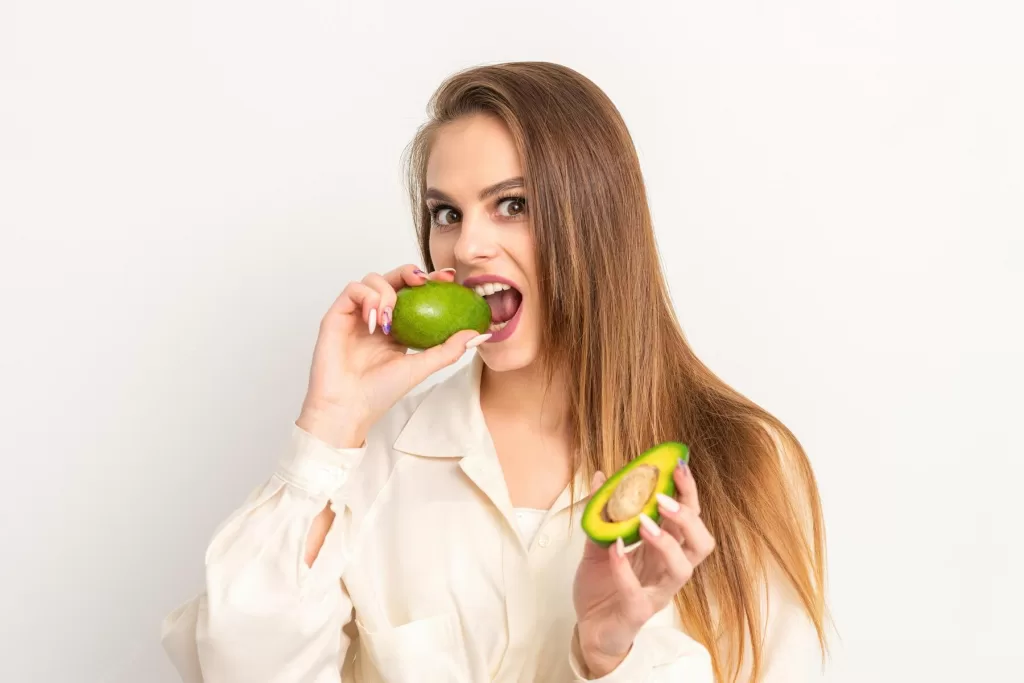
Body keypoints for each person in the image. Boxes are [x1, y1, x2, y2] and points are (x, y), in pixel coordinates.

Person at [162, 61, 829, 682]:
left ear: (597, 221)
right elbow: (242, 664)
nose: (467, 245)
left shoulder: (748, 466)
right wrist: (330, 422)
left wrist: (607, 653)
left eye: (512, 204)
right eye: (446, 213)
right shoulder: (368, 463)